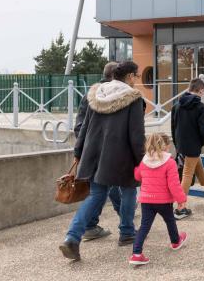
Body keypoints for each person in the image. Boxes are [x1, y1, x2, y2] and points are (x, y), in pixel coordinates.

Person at [59, 61, 145, 261]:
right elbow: (136, 135)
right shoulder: (133, 99)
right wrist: (142, 160)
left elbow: (85, 126)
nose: (136, 81)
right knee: (129, 189)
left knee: (96, 195)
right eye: (137, 76)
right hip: (121, 155)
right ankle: (126, 232)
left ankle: (72, 237)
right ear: (130, 76)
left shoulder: (95, 94)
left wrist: (78, 152)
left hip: (93, 154)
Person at [73, 61, 120, 242]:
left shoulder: (91, 94)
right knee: (105, 190)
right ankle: (125, 225)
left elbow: (79, 126)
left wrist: (82, 149)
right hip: (102, 153)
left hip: (91, 151)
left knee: (106, 190)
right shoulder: (108, 94)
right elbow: (82, 126)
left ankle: (94, 226)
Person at [129, 133, 188, 266]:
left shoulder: (144, 161)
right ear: (166, 146)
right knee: (170, 221)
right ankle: (175, 241)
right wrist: (181, 200)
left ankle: (136, 254)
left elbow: (138, 176)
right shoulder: (170, 162)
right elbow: (174, 184)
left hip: (146, 200)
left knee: (144, 226)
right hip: (163, 201)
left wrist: (137, 168)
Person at [171, 77, 204, 220]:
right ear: (201, 90)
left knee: (195, 163)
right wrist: (201, 143)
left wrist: (176, 143)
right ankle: (180, 207)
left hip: (180, 143)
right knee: (187, 174)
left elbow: (173, 126)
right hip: (193, 144)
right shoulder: (201, 107)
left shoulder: (176, 105)